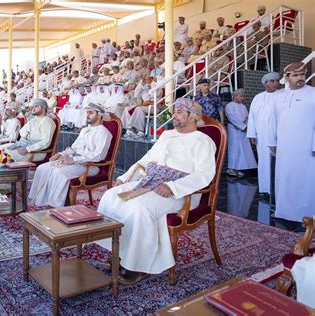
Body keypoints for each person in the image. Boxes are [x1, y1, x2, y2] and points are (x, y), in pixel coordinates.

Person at [96, 98, 216, 284]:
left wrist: (173, 187)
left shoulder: (203, 141)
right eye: (174, 112)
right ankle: (119, 253)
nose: (173, 116)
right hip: (152, 181)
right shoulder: (166, 135)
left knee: (139, 208)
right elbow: (147, 158)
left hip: (182, 192)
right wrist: (125, 177)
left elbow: (205, 174)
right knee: (110, 196)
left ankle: (138, 266)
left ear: (193, 117)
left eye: (179, 112)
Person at [28, 103, 112, 207]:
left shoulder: (104, 132)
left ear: (99, 115)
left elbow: (99, 156)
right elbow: (73, 148)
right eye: (87, 112)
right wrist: (59, 154)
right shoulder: (85, 130)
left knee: (58, 172)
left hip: (89, 166)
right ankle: (39, 200)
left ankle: (55, 205)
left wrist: (73, 160)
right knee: (43, 168)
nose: (87, 115)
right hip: (76, 162)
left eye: (91, 113)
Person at [267, 62, 315, 223]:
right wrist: (272, 141)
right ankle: (284, 212)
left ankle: (307, 215)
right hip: (285, 148)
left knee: (306, 180)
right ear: (286, 77)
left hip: (307, 147)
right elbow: (273, 120)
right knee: (284, 178)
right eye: (295, 75)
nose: (300, 78)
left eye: (302, 74)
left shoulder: (313, 94)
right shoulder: (279, 96)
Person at [246, 72, 280, 195]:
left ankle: (277, 190)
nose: (276, 83)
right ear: (266, 83)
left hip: (278, 135)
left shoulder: (282, 95)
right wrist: (252, 134)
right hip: (262, 136)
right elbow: (252, 117)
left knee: (278, 162)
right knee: (264, 161)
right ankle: (265, 189)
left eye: (277, 81)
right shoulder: (258, 97)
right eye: (273, 81)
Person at [225, 89, 257, 177]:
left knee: (243, 149)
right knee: (234, 149)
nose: (242, 98)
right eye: (241, 96)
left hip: (243, 130)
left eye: (243, 96)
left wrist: (247, 126)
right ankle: (231, 168)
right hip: (234, 130)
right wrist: (243, 126)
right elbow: (232, 118)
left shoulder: (243, 106)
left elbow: (247, 117)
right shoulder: (229, 106)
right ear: (235, 96)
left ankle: (240, 168)